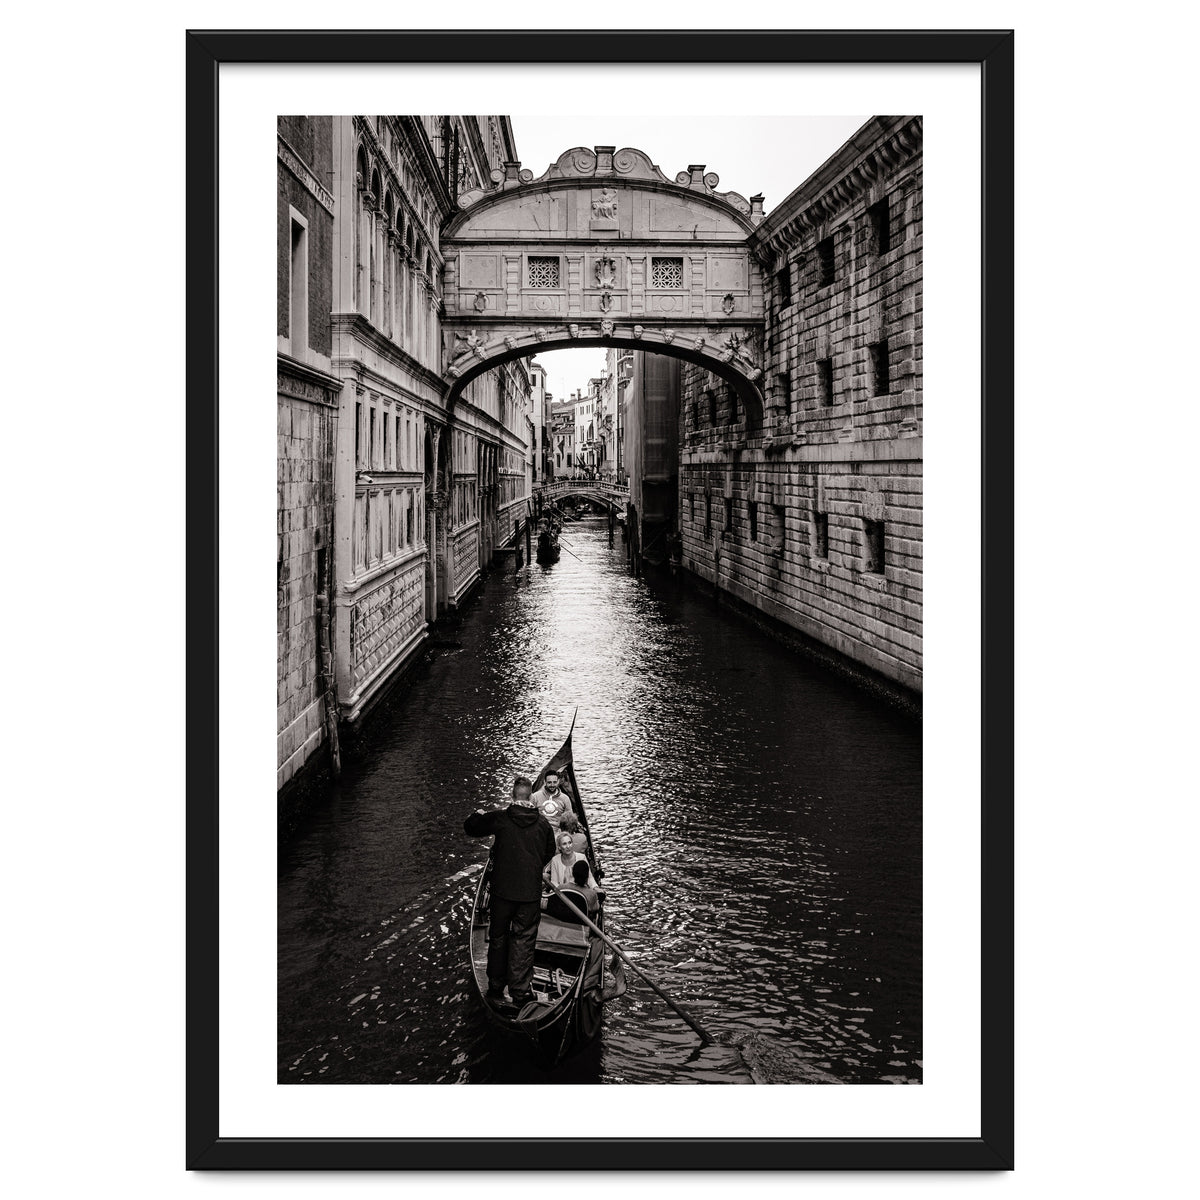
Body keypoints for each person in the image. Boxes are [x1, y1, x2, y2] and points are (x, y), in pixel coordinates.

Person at [463, 775, 555, 1008]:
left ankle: (495, 986)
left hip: (502, 893)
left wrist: (478, 813)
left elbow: (471, 827)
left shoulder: (500, 819)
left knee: (498, 937)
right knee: (523, 941)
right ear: (531, 798)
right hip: (529, 895)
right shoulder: (543, 824)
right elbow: (549, 853)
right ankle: (520, 992)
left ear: (513, 796)